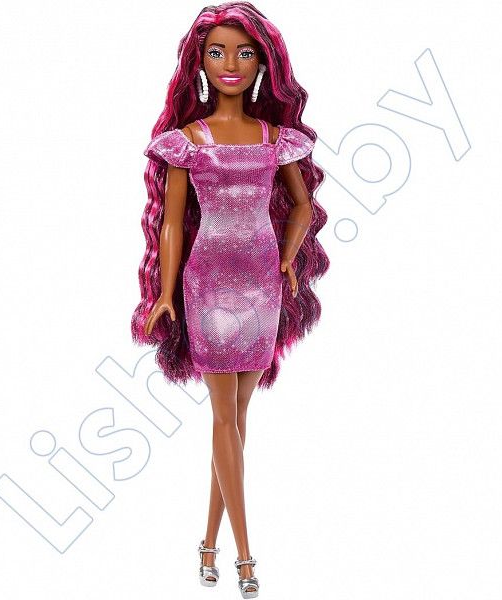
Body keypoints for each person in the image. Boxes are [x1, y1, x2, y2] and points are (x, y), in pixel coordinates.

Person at [131, 2, 330, 597]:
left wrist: (290, 257)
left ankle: (207, 544)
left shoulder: (276, 140)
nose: (231, 64)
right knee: (224, 418)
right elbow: (171, 222)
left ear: (263, 65)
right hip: (209, 284)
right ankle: (246, 556)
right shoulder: (187, 142)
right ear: (199, 63)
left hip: (263, 281)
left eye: (244, 53)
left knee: (237, 422)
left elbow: (303, 205)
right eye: (217, 52)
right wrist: (165, 293)